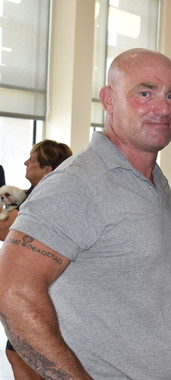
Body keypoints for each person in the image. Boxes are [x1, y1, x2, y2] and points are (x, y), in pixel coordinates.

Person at [0, 48, 171, 379]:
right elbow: (12, 291)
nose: (163, 108)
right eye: (145, 93)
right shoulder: (77, 184)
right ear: (108, 99)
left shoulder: (154, 180)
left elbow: (163, 283)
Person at [0, 139, 73, 380]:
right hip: (34, 292)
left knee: (30, 356)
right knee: (19, 354)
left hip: (45, 293)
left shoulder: (47, 200)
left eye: (31, 161)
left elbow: (5, 229)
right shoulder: (32, 196)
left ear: (47, 170)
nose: (25, 163)